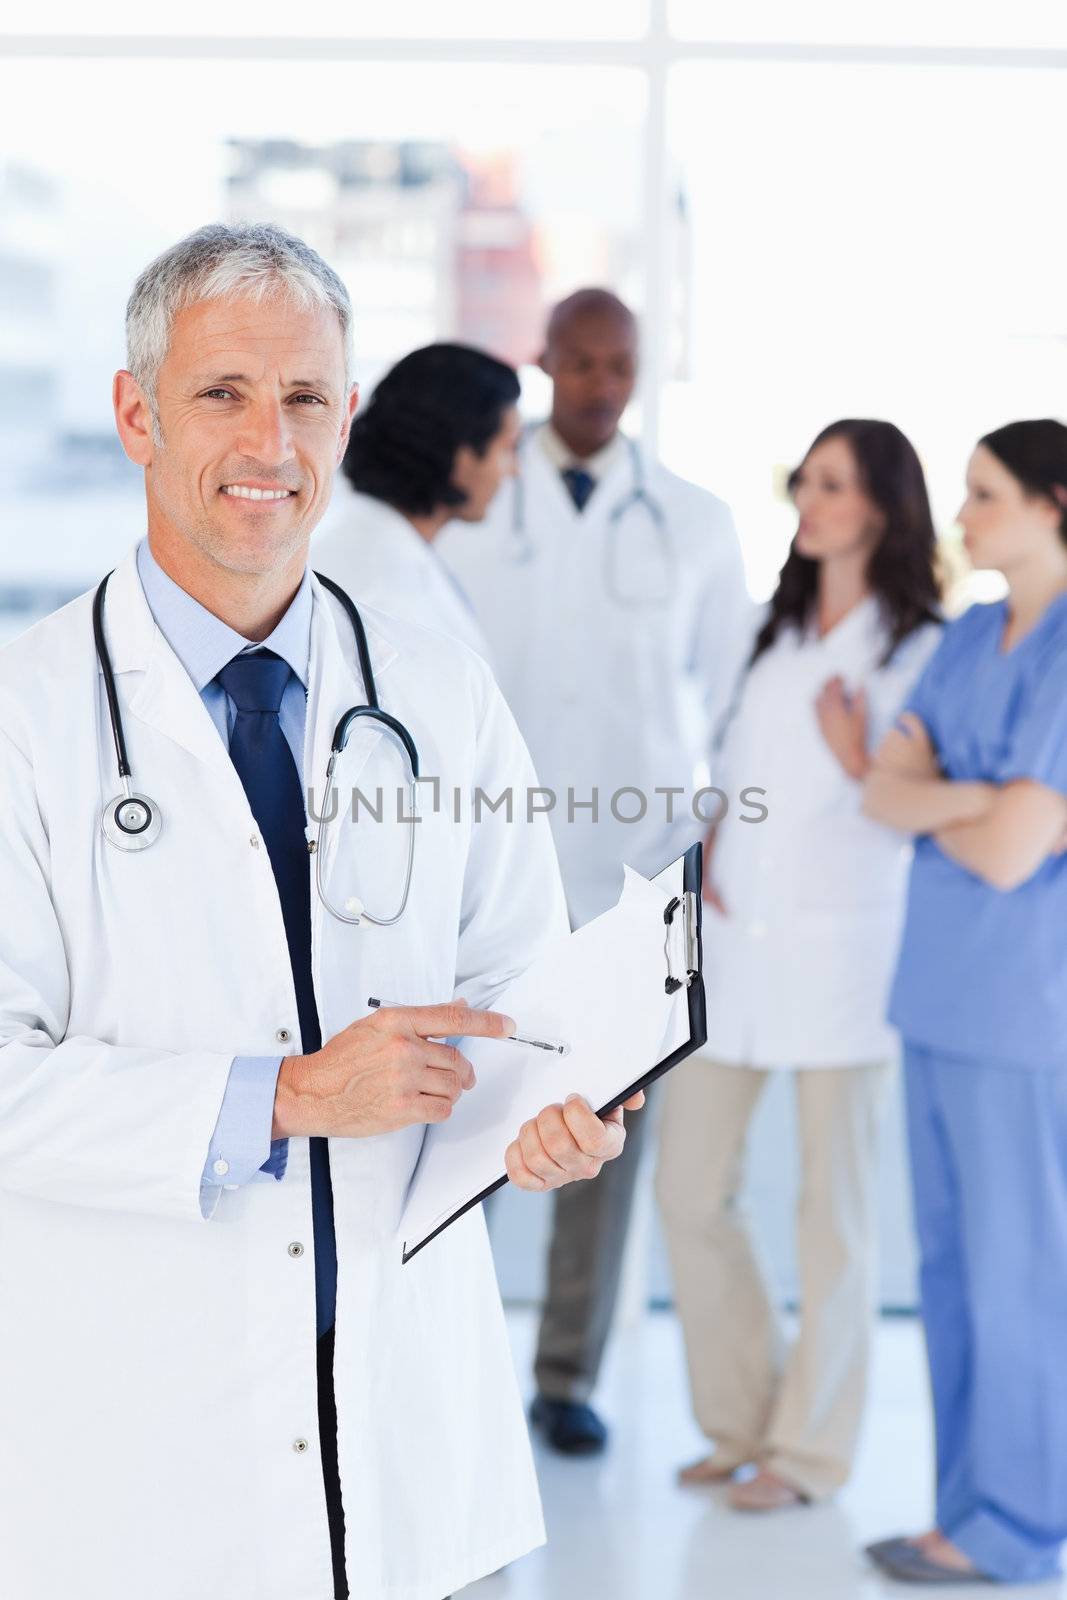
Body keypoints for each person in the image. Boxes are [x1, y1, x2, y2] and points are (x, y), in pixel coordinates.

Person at [0, 222, 645, 1600]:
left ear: (347, 417)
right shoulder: (25, 715)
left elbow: (517, 994)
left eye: (305, 398)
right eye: (221, 392)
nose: (268, 441)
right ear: (135, 412)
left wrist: (548, 1117)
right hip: (136, 1441)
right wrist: (286, 1097)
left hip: (403, 1431)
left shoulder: (436, 692)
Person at [440, 287, 752, 1455]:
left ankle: (564, 1375)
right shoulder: (473, 507)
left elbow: (729, 702)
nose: (600, 384)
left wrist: (716, 851)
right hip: (487, 870)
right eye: (578, 362)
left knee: (601, 1135)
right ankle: (447, 1362)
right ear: (544, 365)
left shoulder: (695, 520)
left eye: (619, 363)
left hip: (633, 875)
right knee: (455, 1116)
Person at [656, 418, 942, 1511]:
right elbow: (725, 762)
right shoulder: (767, 631)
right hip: (733, 943)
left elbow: (917, 802)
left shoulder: (917, 642)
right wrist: (712, 848)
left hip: (846, 956)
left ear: (878, 504)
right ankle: (737, 1419)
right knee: (690, 1193)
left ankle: (809, 1451)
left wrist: (852, 756)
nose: (807, 501)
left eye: (830, 484)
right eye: (802, 481)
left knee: (832, 1218)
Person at [862, 418, 1067, 1587]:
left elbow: (1003, 856)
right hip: (934, 997)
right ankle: (961, 1514)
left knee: (1019, 1274)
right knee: (947, 1270)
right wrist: (972, 795)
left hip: (1022, 1012)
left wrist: (941, 797)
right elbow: (880, 794)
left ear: (1052, 503)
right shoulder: (969, 634)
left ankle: (1021, 1527)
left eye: (983, 494)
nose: (962, 516)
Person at [314, 343, 521, 661]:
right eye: (507, 448)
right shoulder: (386, 589)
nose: (514, 470)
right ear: (461, 457)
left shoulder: (375, 544)